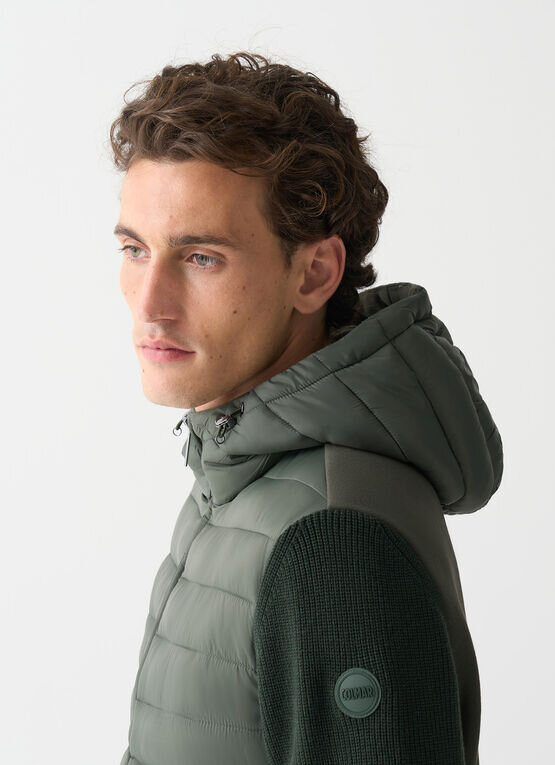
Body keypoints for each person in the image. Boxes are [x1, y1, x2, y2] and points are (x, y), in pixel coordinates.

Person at [110, 51, 503, 765]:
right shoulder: (239, 475)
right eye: (136, 250)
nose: (150, 304)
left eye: (200, 257)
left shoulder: (334, 539)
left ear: (314, 273)